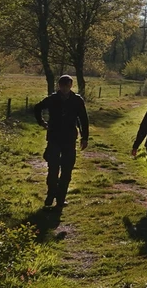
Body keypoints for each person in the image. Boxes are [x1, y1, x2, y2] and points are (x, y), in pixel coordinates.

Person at [31, 74, 89, 207]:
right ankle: (51, 195)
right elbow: (37, 108)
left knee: (67, 169)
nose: (65, 88)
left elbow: (83, 119)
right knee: (53, 168)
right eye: (62, 86)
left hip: (69, 139)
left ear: (70, 86)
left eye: (67, 86)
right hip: (54, 138)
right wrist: (42, 122)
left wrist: (84, 137)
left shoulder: (77, 100)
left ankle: (61, 199)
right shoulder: (52, 99)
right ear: (59, 86)